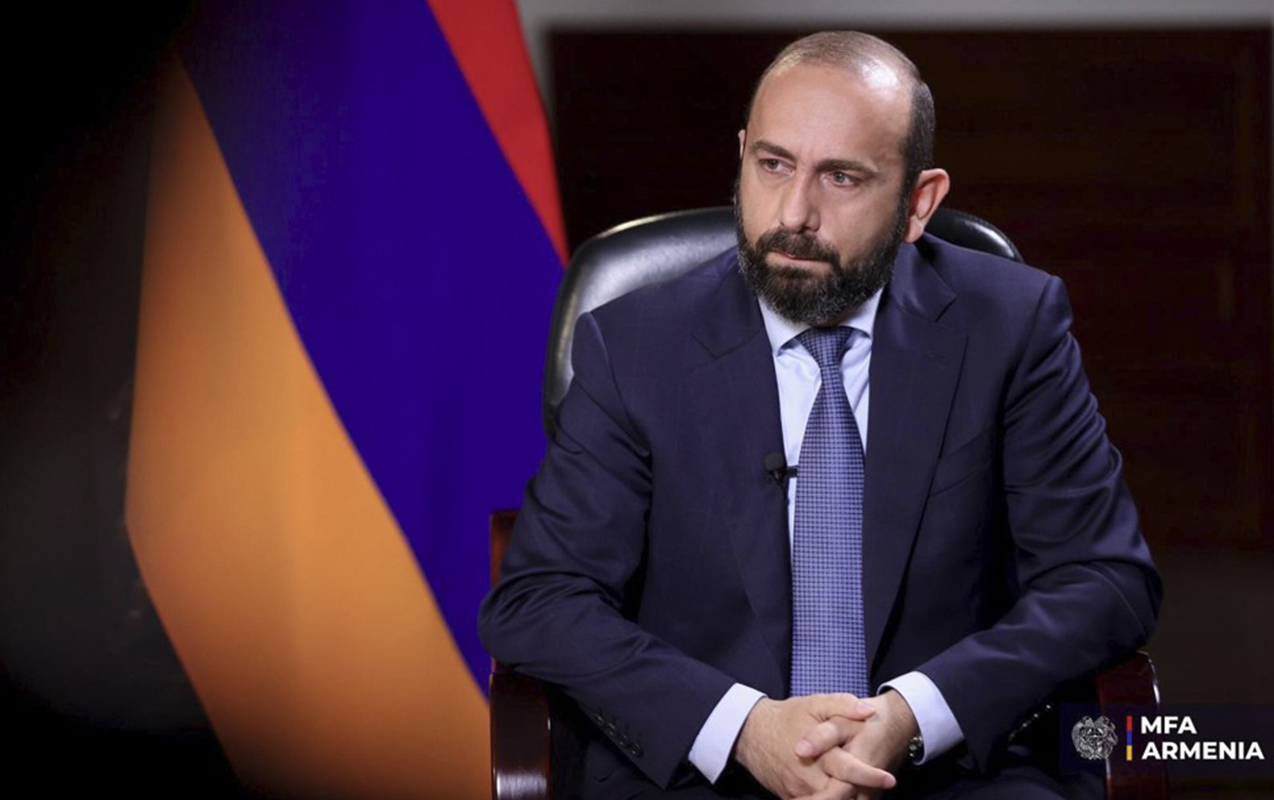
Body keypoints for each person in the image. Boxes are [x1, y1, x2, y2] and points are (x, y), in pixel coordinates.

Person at [479, 31, 1162, 800]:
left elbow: (1104, 580)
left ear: (918, 204)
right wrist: (742, 728)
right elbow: (539, 599)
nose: (794, 213)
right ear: (743, 155)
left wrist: (915, 714)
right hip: (703, 777)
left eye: (841, 177)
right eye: (773, 165)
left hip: (949, 775)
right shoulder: (636, 344)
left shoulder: (1011, 326)